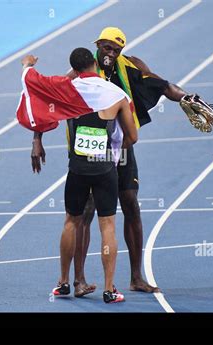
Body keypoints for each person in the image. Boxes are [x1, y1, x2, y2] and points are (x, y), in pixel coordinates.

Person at [31, 27, 213, 296]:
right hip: (89, 151)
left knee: (131, 204)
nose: (110, 53)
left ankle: (136, 277)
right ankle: (78, 280)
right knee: (85, 214)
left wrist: (185, 96)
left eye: (115, 49)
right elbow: (49, 101)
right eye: (107, 47)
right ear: (98, 45)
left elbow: (162, 84)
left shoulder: (131, 65)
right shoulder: (80, 72)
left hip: (120, 150)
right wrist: (37, 139)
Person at [41, 48, 138, 303]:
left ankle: (63, 283)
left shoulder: (67, 91)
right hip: (105, 167)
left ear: (73, 69)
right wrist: (115, 152)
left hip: (77, 167)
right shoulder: (117, 94)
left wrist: (36, 141)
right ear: (95, 63)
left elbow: (40, 108)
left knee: (71, 222)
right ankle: (109, 289)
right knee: (107, 226)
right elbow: (133, 136)